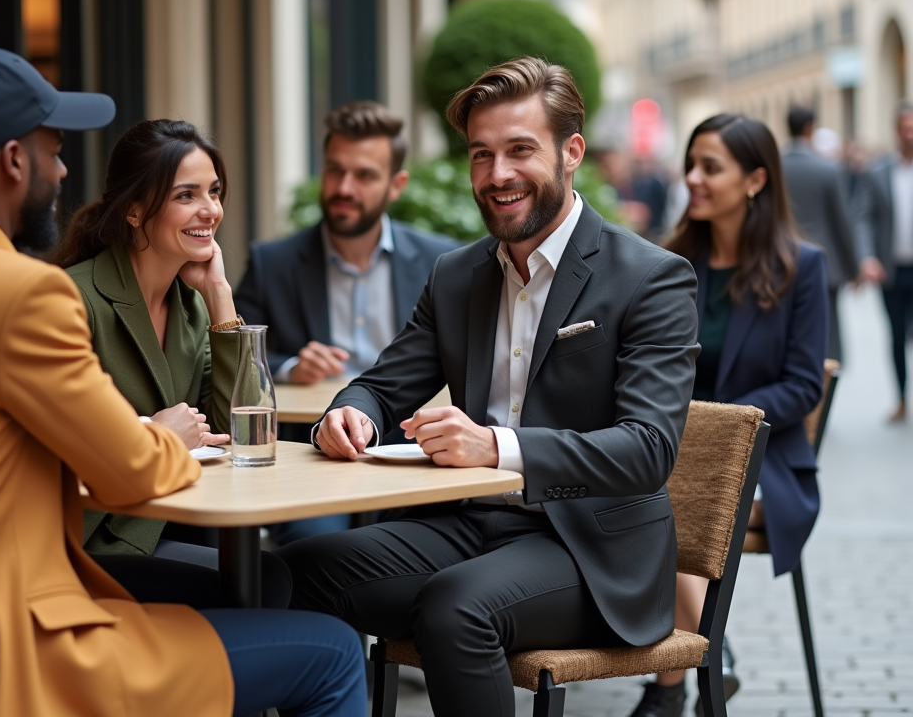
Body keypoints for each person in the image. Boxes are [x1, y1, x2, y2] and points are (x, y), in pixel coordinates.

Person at [0, 45, 366, 717]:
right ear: (13, 161)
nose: (61, 170)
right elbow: (132, 473)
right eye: (53, 151)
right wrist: (160, 433)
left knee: (261, 591)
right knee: (336, 652)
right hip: (21, 643)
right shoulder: (25, 293)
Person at [274, 57, 700, 717]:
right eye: (481, 155)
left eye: (519, 151)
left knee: (456, 609)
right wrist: (350, 413)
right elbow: (383, 387)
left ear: (571, 154)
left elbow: (646, 450)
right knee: (288, 573)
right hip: (466, 526)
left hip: (592, 554)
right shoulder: (457, 275)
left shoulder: (650, 278)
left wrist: (496, 447)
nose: (497, 175)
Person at [633, 114, 829, 717]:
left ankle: (675, 678)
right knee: (636, 490)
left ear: (755, 180)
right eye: (690, 163)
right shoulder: (664, 262)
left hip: (761, 461)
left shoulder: (802, 267)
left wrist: (716, 423)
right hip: (666, 451)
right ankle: (702, 662)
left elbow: (802, 386)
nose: (691, 178)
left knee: (646, 501)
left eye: (709, 167)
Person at [51, 118, 290, 608]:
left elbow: (240, 435)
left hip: (165, 521)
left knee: (275, 577)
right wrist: (153, 434)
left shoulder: (193, 304)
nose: (211, 210)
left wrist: (221, 299)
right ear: (136, 211)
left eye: (215, 192)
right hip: (85, 541)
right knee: (259, 586)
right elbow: (56, 446)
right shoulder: (73, 298)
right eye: (187, 195)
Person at [235, 100, 455, 543]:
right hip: (318, 454)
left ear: (397, 185)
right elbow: (231, 354)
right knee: (313, 546)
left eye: (365, 175)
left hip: (413, 451)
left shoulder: (442, 262)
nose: (345, 187)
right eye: (335, 171)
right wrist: (288, 366)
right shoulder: (272, 263)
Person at [781, 105, 857, 363]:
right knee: (829, 335)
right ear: (810, 128)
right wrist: (853, 267)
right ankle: (826, 388)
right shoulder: (829, 169)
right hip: (826, 265)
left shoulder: (774, 166)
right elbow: (842, 222)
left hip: (782, 259)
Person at [854, 102, 913, 422]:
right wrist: (867, 257)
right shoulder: (878, 172)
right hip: (892, 271)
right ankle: (902, 396)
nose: (910, 135)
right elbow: (863, 218)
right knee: (895, 335)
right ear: (896, 131)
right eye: (905, 129)